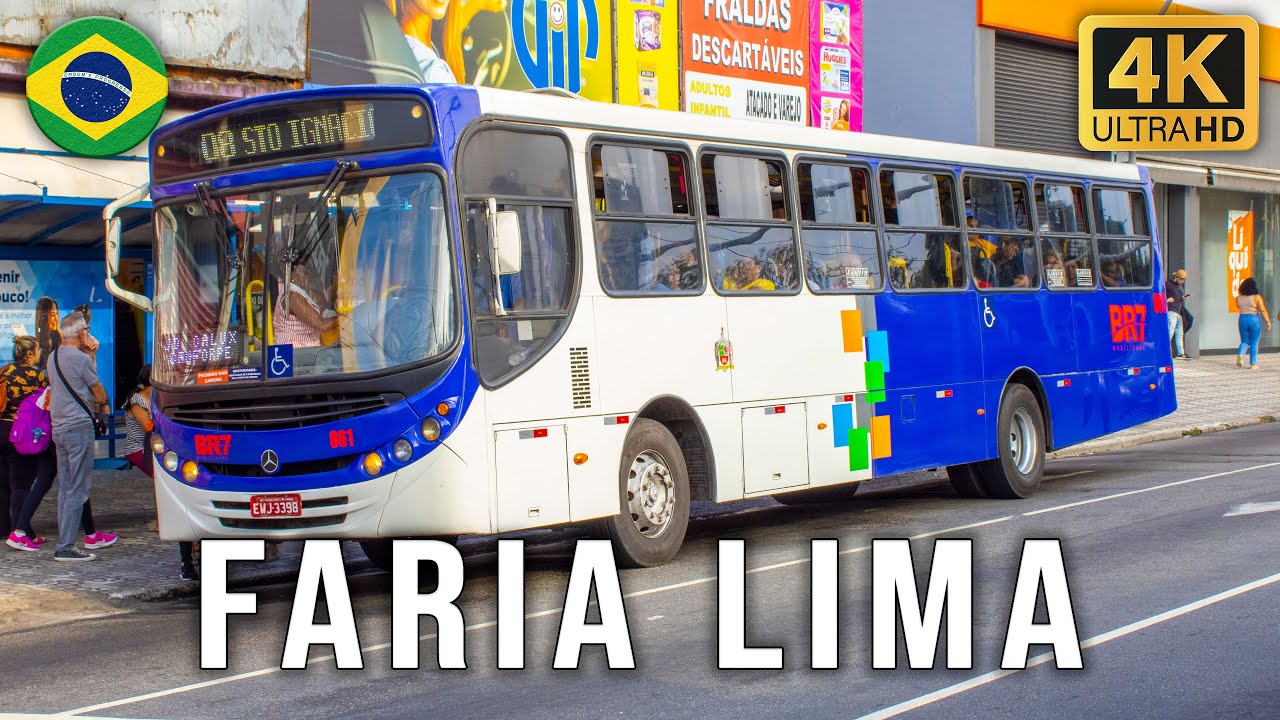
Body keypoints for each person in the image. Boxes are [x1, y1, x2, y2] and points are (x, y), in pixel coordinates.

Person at [48, 311, 114, 561]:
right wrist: (92, 355)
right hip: (78, 427)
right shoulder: (81, 359)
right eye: (86, 329)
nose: (89, 333)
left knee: (66, 487)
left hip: (60, 428)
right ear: (80, 334)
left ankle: (64, 543)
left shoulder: (52, 357)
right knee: (78, 488)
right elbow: (98, 393)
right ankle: (65, 547)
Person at [121, 365, 197, 580]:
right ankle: (163, 519)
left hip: (155, 446)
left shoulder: (156, 396)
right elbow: (148, 425)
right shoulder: (137, 399)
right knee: (163, 480)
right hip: (138, 449)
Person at [1, 336, 46, 550]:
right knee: (21, 484)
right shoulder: (37, 376)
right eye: (38, 350)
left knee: (2, 483)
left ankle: (4, 528)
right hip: (21, 433)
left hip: (1, 429)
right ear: (29, 353)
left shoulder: (3, 372)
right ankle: (22, 531)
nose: (39, 353)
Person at [1235, 277, 1270, 370]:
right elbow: (1262, 310)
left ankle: (1240, 355)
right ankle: (1253, 364)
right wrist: (1268, 321)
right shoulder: (1256, 297)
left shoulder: (1239, 297)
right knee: (1254, 342)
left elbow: (1238, 306)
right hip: (1254, 319)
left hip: (1242, 319)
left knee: (1244, 341)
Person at [1165, 269, 1190, 359]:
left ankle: (1181, 353)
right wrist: (1167, 300)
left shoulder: (1180, 287)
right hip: (1171, 311)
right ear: (1176, 277)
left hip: (1178, 312)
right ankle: (1165, 352)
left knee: (1179, 333)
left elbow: (1179, 299)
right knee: (1170, 332)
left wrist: (1183, 299)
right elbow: (1159, 294)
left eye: (1184, 280)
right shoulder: (1168, 284)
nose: (1182, 281)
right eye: (1181, 279)